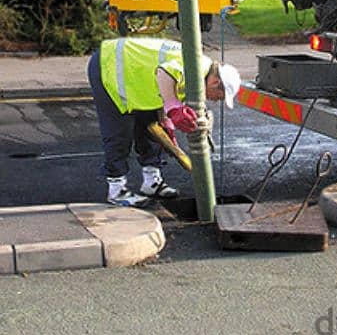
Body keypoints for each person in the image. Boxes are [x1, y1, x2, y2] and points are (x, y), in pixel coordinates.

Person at [87, 36, 241, 207]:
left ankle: (151, 182)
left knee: (152, 127)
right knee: (119, 133)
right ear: (215, 82)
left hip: (133, 74)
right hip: (109, 66)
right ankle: (117, 190)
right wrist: (173, 108)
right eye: (219, 97)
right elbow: (165, 72)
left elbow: (168, 87)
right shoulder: (197, 67)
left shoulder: (200, 74)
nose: (215, 101)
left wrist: (166, 119)